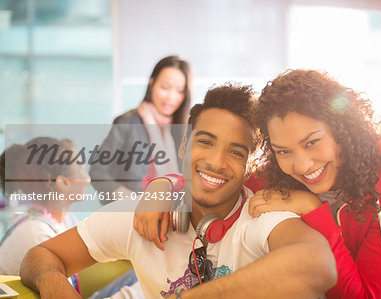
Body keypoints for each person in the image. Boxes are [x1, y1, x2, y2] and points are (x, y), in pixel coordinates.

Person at [20, 83, 337, 299]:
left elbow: (317, 264)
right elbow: (41, 255)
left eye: (236, 152)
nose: (216, 162)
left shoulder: (260, 218)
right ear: (184, 144)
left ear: (250, 167)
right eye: (206, 142)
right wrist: (55, 286)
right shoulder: (141, 212)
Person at [248, 69, 381, 298]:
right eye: (283, 151)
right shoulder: (276, 176)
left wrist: (314, 209)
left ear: (343, 130)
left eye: (312, 142)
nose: (302, 166)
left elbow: (363, 296)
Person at [89, 55, 192, 200]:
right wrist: (131, 200)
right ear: (151, 84)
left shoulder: (183, 130)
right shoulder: (127, 123)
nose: (171, 97)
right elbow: (98, 172)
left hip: (171, 214)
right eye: (165, 87)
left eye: (179, 91)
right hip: (130, 214)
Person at [0, 137, 89, 291]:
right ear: (63, 183)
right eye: (80, 169)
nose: (87, 178)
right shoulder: (36, 235)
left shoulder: (64, 219)